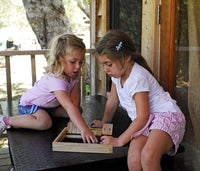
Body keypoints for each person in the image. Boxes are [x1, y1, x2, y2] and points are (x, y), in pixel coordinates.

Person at [91, 30, 186, 171]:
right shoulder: (117, 75)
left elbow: (142, 117)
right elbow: (112, 101)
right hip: (147, 121)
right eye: (104, 64)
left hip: (166, 116)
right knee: (134, 159)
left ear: (126, 58)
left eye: (109, 64)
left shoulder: (137, 78)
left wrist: (119, 140)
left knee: (148, 156)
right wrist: (104, 122)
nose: (105, 69)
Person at [0, 33, 98, 144]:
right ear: (59, 59)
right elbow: (68, 105)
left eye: (80, 62)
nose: (78, 66)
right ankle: (5, 120)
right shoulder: (55, 79)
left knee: (78, 110)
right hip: (31, 105)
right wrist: (84, 129)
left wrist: (73, 121)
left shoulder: (73, 74)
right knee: (45, 123)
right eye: (73, 62)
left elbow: (75, 100)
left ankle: (48, 114)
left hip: (51, 107)